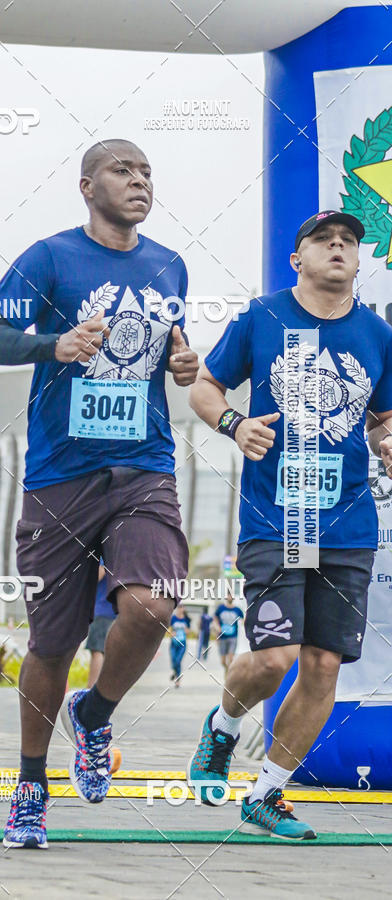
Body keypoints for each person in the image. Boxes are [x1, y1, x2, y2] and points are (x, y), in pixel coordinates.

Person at [0, 138, 199, 849]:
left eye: (147, 173)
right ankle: (31, 788)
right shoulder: (49, 258)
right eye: (122, 171)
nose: (139, 182)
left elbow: (168, 348)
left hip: (144, 467)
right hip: (61, 477)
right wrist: (54, 345)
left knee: (154, 603)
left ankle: (94, 715)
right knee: (52, 642)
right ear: (86, 186)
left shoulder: (170, 265)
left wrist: (183, 362)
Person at [187, 210, 392, 840]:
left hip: (348, 525)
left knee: (324, 664)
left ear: (358, 260)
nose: (339, 246)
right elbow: (204, 388)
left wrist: (387, 441)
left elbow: (382, 420)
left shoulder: (377, 334)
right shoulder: (262, 316)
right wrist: (235, 425)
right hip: (278, 520)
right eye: (324, 239)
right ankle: (223, 727)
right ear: (297, 258)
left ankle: (267, 794)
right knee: (274, 659)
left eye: (349, 241)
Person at [86, 562, 116, 688]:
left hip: (102, 610)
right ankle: (104, 689)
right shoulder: (118, 555)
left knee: (97, 650)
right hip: (114, 611)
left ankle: (91, 690)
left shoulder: (104, 554)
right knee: (107, 652)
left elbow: (98, 573)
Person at [214, 594, 244, 673]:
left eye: (231, 596)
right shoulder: (221, 608)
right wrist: (217, 627)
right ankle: (226, 670)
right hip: (222, 636)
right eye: (228, 596)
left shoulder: (237, 610)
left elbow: (243, 619)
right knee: (223, 661)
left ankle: (229, 673)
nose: (230, 597)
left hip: (233, 636)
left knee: (231, 658)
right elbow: (215, 618)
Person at [169, 604, 191, 687]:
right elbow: (168, 629)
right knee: (173, 661)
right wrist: (171, 633)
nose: (180, 609)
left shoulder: (186, 619)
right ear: (177, 609)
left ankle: (178, 680)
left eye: (182, 608)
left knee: (178, 661)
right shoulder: (173, 618)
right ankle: (175, 672)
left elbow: (188, 631)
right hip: (173, 643)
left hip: (182, 644)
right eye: (179, 608)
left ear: (183, 609)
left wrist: (186, 631)